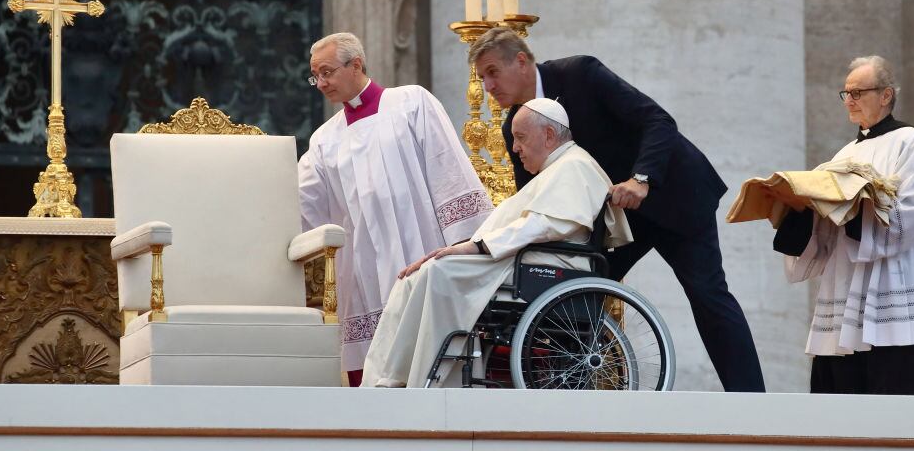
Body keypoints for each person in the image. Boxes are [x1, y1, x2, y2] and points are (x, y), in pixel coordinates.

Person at [468, 27, 765, 392]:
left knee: (708, 295)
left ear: (521, 61)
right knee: (573, 292)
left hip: (674, 194)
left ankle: (751, 399)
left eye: (493, 72)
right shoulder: (519, 126)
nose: (488, 86)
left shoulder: (581, 73)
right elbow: (534, 195)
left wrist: (642, 179)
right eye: (482, 78)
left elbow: (658, 121)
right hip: (618, 217)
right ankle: (562, 395)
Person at [361, 98, 632, 387]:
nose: (514, 148)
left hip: (544, 267)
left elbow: (546, 225)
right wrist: (471, 247)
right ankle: (386, 380)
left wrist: (475, 247)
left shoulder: (575, 166)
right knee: (413, 277)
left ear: (549, 135)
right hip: (524, 260)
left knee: (439, 273)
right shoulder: (559, 168)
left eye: (521, 138)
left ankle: (428, 380)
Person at [298, 32, 492, 385]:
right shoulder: (324, 139)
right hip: (363, 265)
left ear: (355, 64)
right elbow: (303, 204)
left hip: (421, 249)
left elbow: (447, 168)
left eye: (327, 72)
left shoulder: (411, 103)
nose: (321, 83)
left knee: (431, 352)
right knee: (374, 362)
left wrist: (464, 249)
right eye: (316, 76)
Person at [773, 56, 914, 395]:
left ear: (886, 95)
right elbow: (824, 233)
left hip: (896, 294)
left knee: (900, 409)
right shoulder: (842, 157)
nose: (849, 100)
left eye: (858, 92)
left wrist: (856, 211)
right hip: (846, 288)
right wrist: (799, 212)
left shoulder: (911, 143)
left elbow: (913, 213)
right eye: (845, 93)